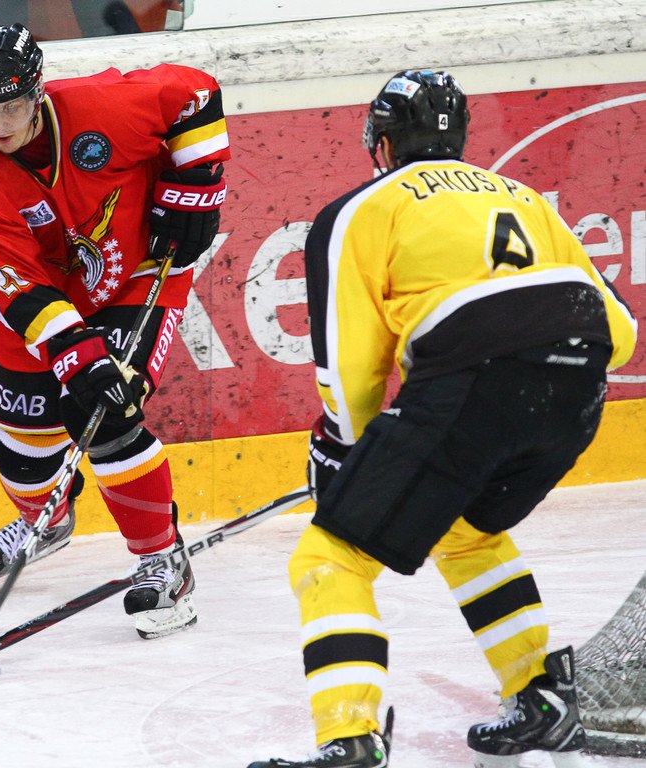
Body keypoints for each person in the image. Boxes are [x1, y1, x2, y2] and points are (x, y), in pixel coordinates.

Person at [248, 70, 638, 768]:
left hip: (474, 380)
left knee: (330, 557)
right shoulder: (523, 196)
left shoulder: (360, 208)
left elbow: (349, 356)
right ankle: (539, 699)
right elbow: (624, 332)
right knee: (465, 532)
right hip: (578, 390)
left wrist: (344, 448)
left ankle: (349, 737)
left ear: (383, 143)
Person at [0, 24, 229, 639]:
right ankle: (47, 520)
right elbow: (22, 292)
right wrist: (78, 354)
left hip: (137, 276)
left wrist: (198, 186)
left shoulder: (102, 107)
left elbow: (196, 94)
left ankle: (163, 562)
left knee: (105, 410)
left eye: (10, 105)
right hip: (44, 307)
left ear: (36, 92)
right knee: (22, 444)